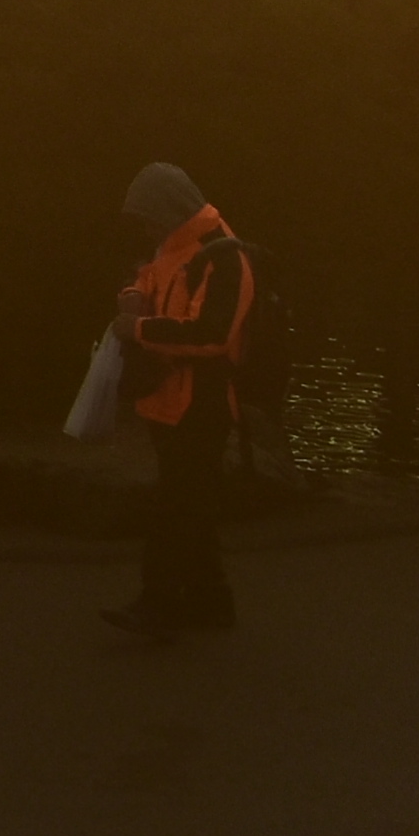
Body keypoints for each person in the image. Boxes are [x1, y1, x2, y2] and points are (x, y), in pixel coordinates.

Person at [106, 160, 256, 640]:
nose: (146, 226)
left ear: (167, 210)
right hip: (170, 400)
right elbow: (149, 279)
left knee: (174, 510)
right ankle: (211, 601)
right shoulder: (176, 244)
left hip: (202, 404)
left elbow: (213, 335)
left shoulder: (222, 255)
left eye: (148, 216)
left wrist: (139, 329)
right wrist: (132, 295)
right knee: (190, 507)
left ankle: (159, 606)